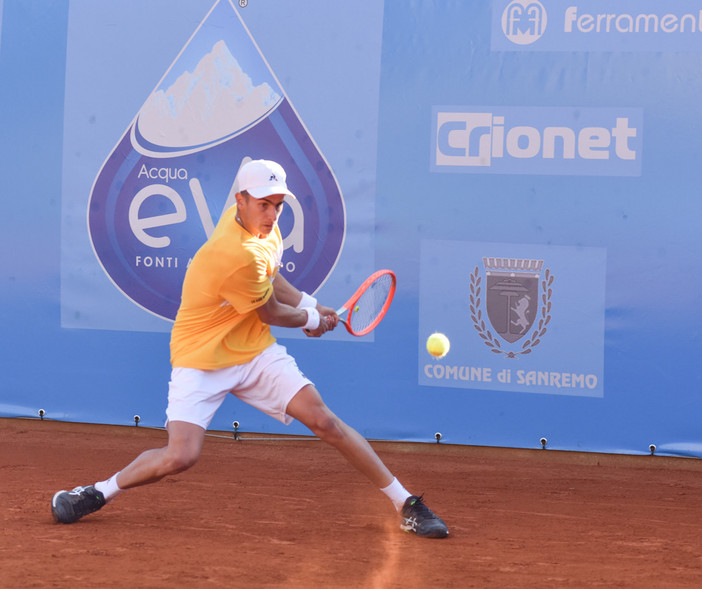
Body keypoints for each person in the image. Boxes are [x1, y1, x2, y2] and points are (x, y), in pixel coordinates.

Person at [51, 159, 449, 539]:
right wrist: (312, 321)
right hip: (202, 356)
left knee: (325, 422)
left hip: (254, 351)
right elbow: (272, 311)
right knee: (180, 456)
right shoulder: (234, 252)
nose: (272, 214)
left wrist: (312, 305)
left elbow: (273, 278)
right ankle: (97, 492)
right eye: (263, 204)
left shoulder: (262, 229)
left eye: (277, 205)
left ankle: (406, 505)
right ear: (239, 200)